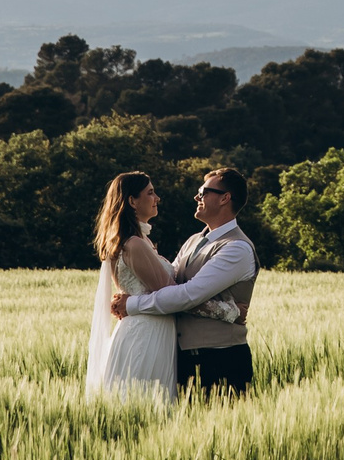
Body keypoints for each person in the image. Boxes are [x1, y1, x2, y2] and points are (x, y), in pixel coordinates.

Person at [111, 167, 259, 395]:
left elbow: (187, 295)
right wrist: (228, 311)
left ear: (225, 198)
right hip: (181, 358)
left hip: (221, 357)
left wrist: (131, 305)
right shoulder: (193, 241)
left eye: (204, 191)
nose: (196, 196)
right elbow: (176, 289)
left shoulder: (236, 248)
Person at [84, 173, 179, 403]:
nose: (157, 198)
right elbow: (170, 293)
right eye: (150, 192)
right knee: (143, 401)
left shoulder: (137, 241)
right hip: (145, 334)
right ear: (132, 201)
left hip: (149, 327)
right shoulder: (134, 244)